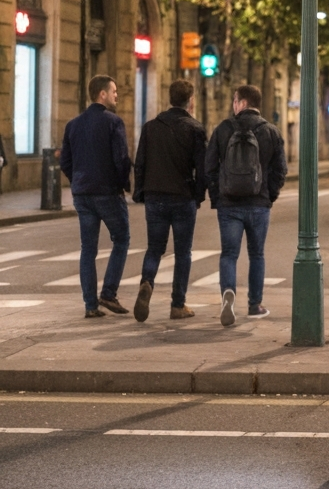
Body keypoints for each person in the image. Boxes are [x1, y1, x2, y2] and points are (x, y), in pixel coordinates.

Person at [205, 84, 286, 326]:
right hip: (259, 204)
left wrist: (218, 196)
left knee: (229, 254)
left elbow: (209, 167)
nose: (233, 104)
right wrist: (268, 196)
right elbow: (280, 170)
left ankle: (228, 293)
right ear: (257, 104)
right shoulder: (270, 131)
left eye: (234, 100)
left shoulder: (222, 129)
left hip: (229, 205)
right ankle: (254, 304)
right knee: (257, 254)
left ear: (241, 102)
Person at [131, 79, 208, 322]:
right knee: (183, 252)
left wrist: (141, 192)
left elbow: (140, 162)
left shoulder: (151, 127)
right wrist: (198, 195)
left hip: (155, 196)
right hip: (182, 197)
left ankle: (146, 283)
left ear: (170, 98)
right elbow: (203, 169)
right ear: (190, 101)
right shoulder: (195, 129)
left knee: (155, 248)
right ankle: (177, 304)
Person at [60, 75, 132, 317]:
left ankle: (90, 305)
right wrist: (124, 185)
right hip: (107, 192)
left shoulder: (73, 124)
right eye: (113, 91)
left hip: (82, 194)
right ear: (102, 94)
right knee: (121, 240)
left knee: (87, 248)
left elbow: (65, 161)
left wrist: (78, 181)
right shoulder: (113, 122)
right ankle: (109, 293)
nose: (116, 96)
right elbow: (121, 159)